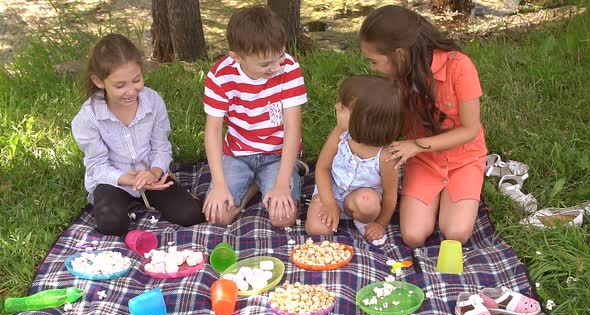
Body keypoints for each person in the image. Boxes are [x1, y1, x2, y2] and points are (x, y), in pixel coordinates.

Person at [359, 5, 488, 247]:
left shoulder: (459, 67)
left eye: (374, 61)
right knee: (413, 235)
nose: (372, 68)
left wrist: (416, 145)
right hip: (424, 161)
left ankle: (453, 196)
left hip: (463, 158)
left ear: (400, 55)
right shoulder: (399, 77)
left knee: (456, 233)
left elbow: (470, 130)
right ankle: (436, 197)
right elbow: (393, 124)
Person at [72, 33, 203, 236]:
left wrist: (155, 172)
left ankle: (148, 197)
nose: (131, 91)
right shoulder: (88, 117)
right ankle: (128, 202)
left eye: (136, 80)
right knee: (111, 224)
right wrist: (128, 180)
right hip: (115, 180)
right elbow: (97, 166)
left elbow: (161, 146)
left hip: (151, 176)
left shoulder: (153, 101)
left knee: (191, 215)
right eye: (120, 85)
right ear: (99, 81)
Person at [202, 5, 308, 228]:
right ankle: (254, 188)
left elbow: (292, 128)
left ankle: (274, 181)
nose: (276, 67)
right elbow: (212, 131)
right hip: (237, 155)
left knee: (284, 219)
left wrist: (281, 184)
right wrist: (219, 184)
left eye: (280, 56)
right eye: (265, 64)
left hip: (277, 156)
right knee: (217, 217)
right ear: (236, 57)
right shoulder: (220, 76)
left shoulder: (289, 68)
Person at [305, 75, 405, 245]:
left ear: (363, 121)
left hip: (360, 199)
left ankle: (362, 220)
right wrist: (328, 202)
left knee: (368, 204)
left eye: (343, 107)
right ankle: (331, 210)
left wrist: (380, 223)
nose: (336, 106)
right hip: (332, 192)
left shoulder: (386, 156)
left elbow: (389, 196)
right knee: (317, 229)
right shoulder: (340, 133)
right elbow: (322, 168)